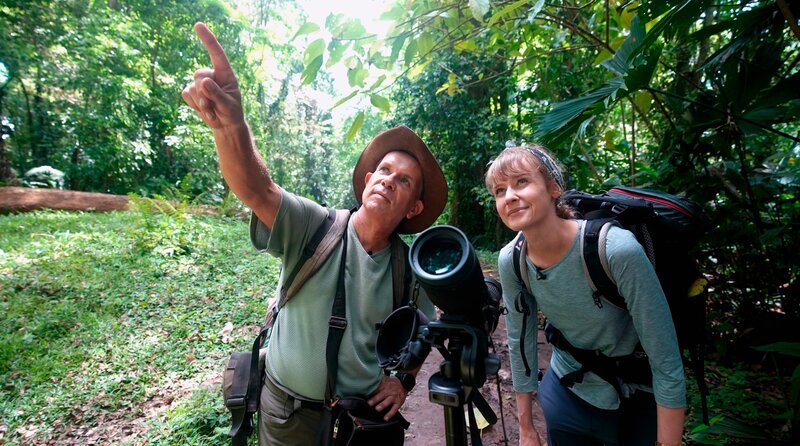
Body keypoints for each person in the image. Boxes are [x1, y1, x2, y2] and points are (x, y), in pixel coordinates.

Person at [181, 22, 447, 445]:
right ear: (367, 182)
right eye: (383, 171)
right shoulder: (316, 225)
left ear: (414, 207)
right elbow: (257, 189)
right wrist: (231, 127)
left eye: (404, 181)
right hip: (288, 414)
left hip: (359, 420)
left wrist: (404, 381)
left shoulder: (408, 268)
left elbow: (423, 330)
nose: (388, 180)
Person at [485, 145, 686, 446]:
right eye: (500, 191)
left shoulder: (615, 249)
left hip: (636, 393)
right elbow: (520, 341)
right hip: (568, 387)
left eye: (521, 182)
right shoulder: (512, 259)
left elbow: (665, 358)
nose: (509, 196)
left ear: (554, 188)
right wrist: (526, 428)